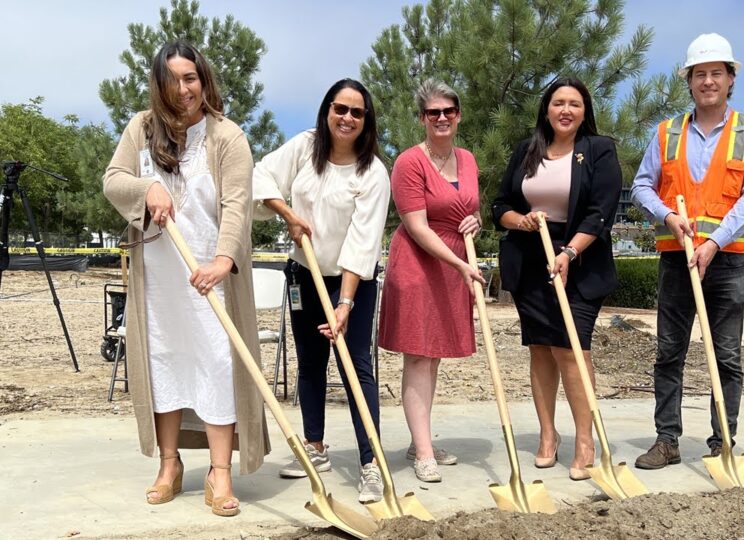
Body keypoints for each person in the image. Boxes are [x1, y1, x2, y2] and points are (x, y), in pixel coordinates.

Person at [103, 41, 268, 517]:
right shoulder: (141, 128)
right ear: (158, 83)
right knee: (164, 362)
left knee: (216, 363)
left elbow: (237, 204)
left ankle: (220, 472)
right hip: (158, 278)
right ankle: (169, 466)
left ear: (204, 80)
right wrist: (147, 186)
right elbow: (114, 179)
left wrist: (222, 260)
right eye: (172, 79)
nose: (183, 89)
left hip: (211, 276)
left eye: (190, 77)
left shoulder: (227, 136)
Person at [630, 33, 744, 469]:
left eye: (716, 73)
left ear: (731, 79)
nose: (708, 81)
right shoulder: (667, 133)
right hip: (677, 259)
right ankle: (666, 440)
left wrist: (713, 242)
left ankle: (722, 441)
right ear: (688, 82)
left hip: (726, 261)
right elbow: (640, 186)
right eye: (699, 74)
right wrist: (669, 217)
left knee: (726, 357)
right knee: (669, 351)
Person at [252, 78, 390, 503]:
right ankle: (315, 448)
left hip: (352, 283)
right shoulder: (304, 147)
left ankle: (372, 464)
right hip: (304, 274)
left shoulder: (373, 173)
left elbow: (362, 243)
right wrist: (287, 214)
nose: (347, 118)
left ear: (366, 121)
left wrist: (345, 302)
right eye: (340, 108)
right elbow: (261, 175)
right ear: (327, 110)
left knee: (355, 368)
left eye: (357, 112)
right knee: (310, 363)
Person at [491, 77, 622, 481]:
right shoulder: (527, 151)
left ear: (585, 111)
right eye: (559, 102)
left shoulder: (599, 151)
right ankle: (549, 435)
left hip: (579, 259)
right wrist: (522, 220)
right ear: (546, 108)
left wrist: (569, 252)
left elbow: (601, 211)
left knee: (572, 348)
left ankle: (586, 439)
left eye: (575, 104)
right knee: (541, 349)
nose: (566, 110)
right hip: (531, 257)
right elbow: (501, 205)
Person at [378, 78, 484, 483]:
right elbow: (418, 226)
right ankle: (423, 452)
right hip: (420, 266)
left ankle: (416, 437)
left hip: (456, 264)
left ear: (458, 115)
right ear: (422, 118)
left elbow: (467, 208)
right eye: (433, 112)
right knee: (418, 356)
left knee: (434, 354)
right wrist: (458, 265)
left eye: (448, 111)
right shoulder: (409, 162)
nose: (441, 118)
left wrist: (476, 220)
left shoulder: (469, 160)